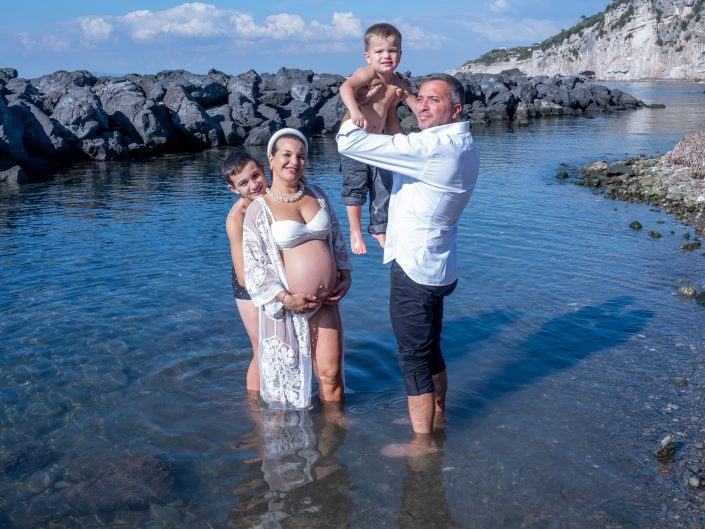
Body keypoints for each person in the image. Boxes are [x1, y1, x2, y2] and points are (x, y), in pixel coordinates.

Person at [336, 73, 480, 436]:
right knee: (430, 348)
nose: (423, 105)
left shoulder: (431, 149)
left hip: (414, 269)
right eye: (422, 98)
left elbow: (347, 141)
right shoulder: (463, 143)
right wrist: (403, 97)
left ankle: (423, 443)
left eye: (434, 100)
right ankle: (436, 416)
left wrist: (369, 102)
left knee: (413, 358)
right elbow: (401, 141)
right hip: (440, 267)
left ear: (455, 110)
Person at [243, 128, 352, 409]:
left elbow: (336, 237)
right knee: (286, 391)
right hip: (287, 307)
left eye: (301, 156)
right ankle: (292, 434)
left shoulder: (318, 195)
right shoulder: (259, 209)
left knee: (331, 375)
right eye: (287, 155)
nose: (295, 161)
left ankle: (334, 430)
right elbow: (255, 265)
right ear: (271, 159)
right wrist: (284, 298)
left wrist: (345, 274)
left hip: (326, 301)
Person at [338, 22, 416, 255]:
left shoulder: (399, 84)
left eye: (392, 50)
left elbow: (417, 107)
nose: (386, 56)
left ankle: (379, 228)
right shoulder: (368, 74)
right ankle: (355, 231)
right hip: (354, 135)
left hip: (376, 140)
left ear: (401, 54)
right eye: (379, 51)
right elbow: (345, 88)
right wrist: (355, 110)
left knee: (384, 182)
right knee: (356, 184)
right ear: (368, 56)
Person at [223, 151, 268, 395]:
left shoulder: (276, 197)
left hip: (276, 276)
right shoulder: (236, 218)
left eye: (256, 175)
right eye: (243, 183)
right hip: (248, 284)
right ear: (233, 189)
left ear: (263, 168)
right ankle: (254, 403)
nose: (253, 185)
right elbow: (242, 275)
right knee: (262, 346)